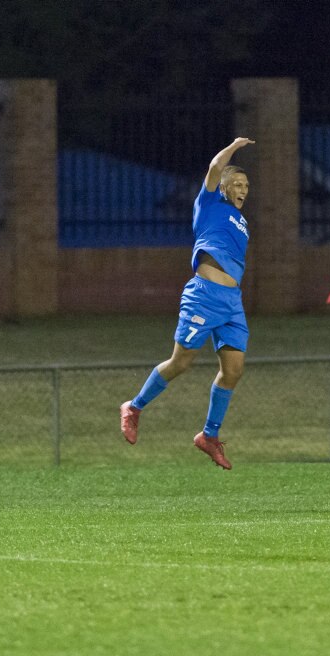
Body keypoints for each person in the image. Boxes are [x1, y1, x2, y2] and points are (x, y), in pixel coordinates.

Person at [119, 137, 255, 470]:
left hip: (231, 302)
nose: (242, 189)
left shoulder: (243, 222)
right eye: (236, 183)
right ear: (222, 188)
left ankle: (209, 436)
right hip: (204, 294)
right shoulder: (208, 204)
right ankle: (134, 407)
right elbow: (214, 167)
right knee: (181, 362)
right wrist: (234, 147)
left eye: (246, 185)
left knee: (234, 371)